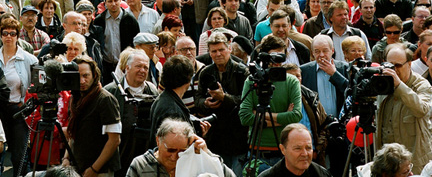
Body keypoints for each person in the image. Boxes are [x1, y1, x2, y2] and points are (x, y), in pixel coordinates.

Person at [239, 35, 302, 172]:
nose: (277, 61)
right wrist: (282, 119)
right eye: (273, 56)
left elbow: (296, 115)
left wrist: (262, 115)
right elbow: (245, 117)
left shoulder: (291, 81)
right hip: (257, 153)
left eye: (281, 56)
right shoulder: (251, 81)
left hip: (284, 152)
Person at [0, 14, 38, 173]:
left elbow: (34, 86)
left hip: (19, 110)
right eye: (5, 33)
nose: (9, 37)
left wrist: (27, 104)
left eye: (12, 33)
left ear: (18, 35)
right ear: (0, 35)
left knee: (19, 156)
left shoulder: (29, 59)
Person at [195, 31, 250, 174]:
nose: (218, 54)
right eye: (214, 51)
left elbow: (247, 101)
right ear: (209, 53)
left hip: (238, 134)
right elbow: (198, 98)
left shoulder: (242, 71)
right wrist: (206, 103)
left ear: (229, 49)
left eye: (221, 50)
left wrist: (224, 98)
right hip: (215, 135)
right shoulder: (205, 72)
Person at [375, 43, 432, 171]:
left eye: (398, 65)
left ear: (410, 64)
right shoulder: (382, 85)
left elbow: (422, 110)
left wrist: (399, 86)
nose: (394, 70)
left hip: (413, 164)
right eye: (390, 65)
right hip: (387, 162)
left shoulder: (422, 85)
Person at [104, 49, 159, 177]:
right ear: (127, 68)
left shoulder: (152, 90)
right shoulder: (111, 91)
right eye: (138, 66)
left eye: (145, 67)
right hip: (118, 156)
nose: (142, 70)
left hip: (143, 156)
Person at [64, 55, 121, 177]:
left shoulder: (105, 100)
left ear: (94, 75)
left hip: (101, 170)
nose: (82, 81)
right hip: (79, 166)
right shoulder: (75, 99)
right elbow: (73, 134)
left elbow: (114, 140)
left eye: (86, 75)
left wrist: (94, 169)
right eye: (78, 76)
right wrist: (66, 158)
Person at [127, 118, 235, 177]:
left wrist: (207, 154)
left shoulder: (195, 159)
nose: (174, 157)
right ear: (158, 141)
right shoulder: (140, 165)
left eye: (182, 152)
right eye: (171, 150)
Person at [93, 0, 140, 83]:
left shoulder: (130, 20)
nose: (113, 4)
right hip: (106, 65)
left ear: (120, 1)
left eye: (116, 0)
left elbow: (136, 42)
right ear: (105, 3)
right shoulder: (99, 21)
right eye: (110, 1)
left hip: (125, 65)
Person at [298, 35, 348, 120]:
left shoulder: (344, 68)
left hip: (341, 121)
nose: (321, 55)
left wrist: (334, 74)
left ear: (332, 50)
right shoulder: (304, 71)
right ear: (312, 53)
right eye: (317, 51)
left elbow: (349, 92)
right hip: (316, 123)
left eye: (325, 51)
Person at [259, 123, 330, 177]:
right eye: (298, 148)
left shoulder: (322, 174)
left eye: (308, 148)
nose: (305, 154)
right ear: (283, 149)